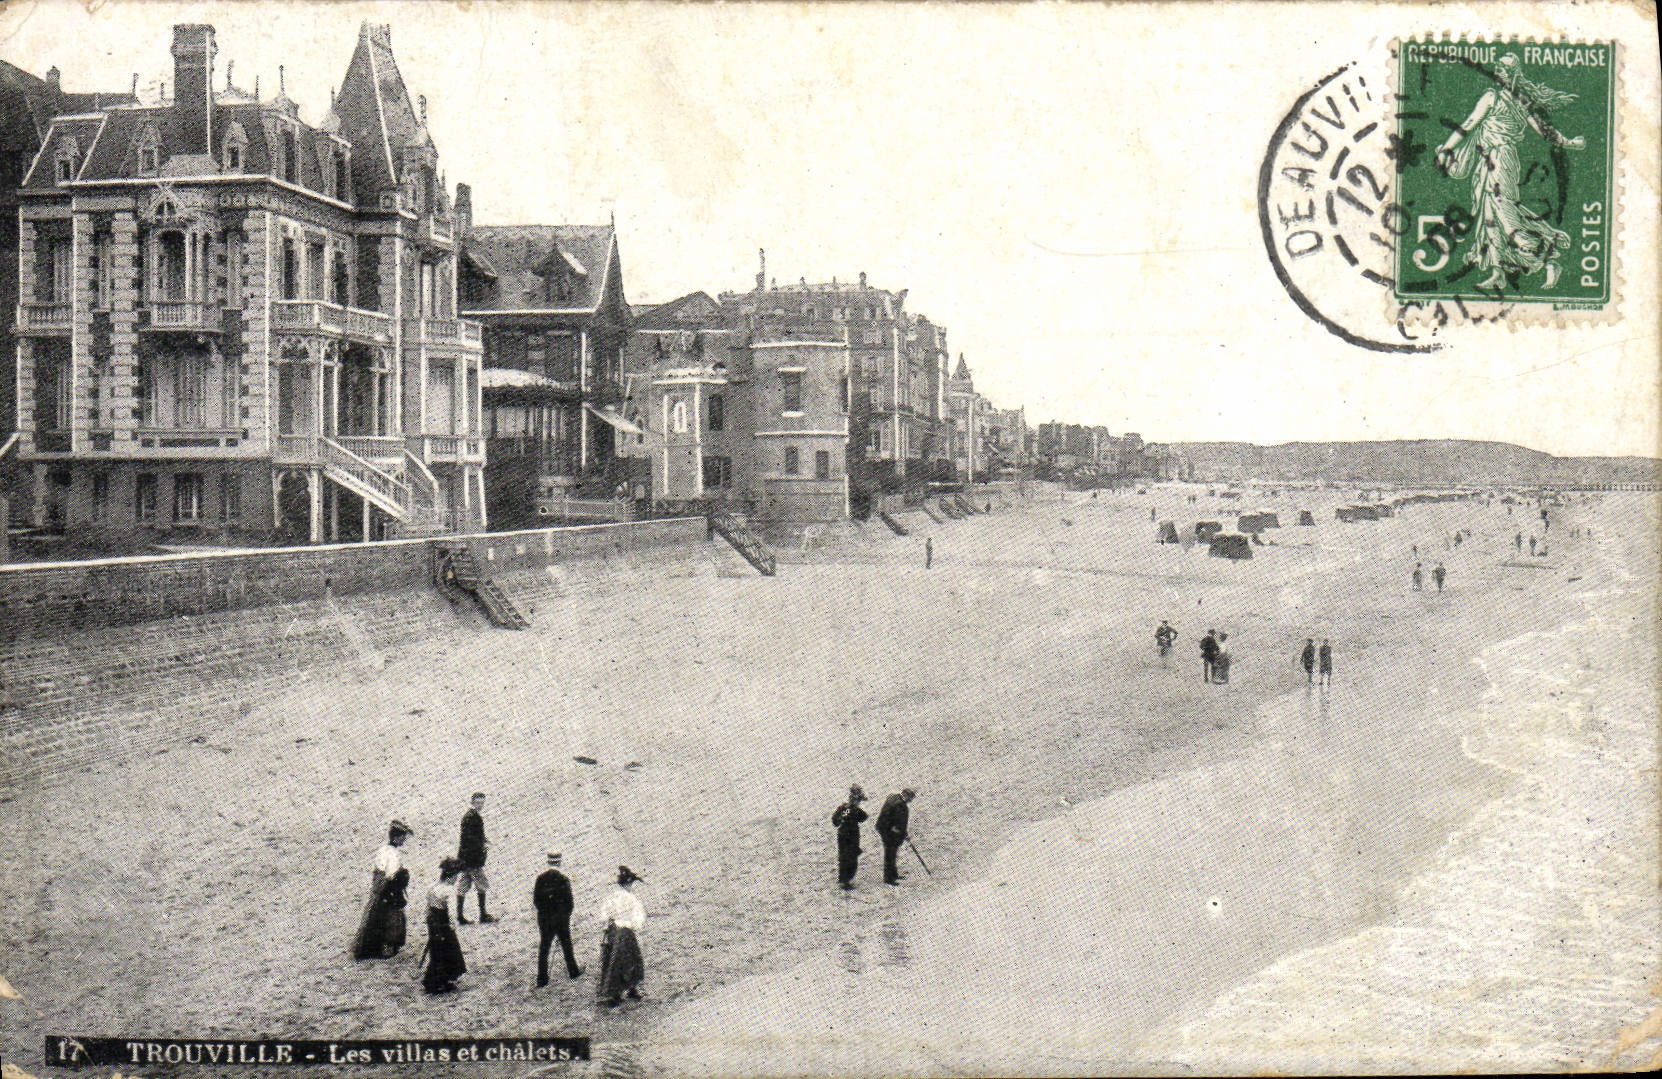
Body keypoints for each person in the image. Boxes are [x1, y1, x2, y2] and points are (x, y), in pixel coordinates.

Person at [1434, 53, 1585, 291]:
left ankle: (1547, 260)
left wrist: (1446, 149)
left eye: (1503, 69)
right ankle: (1498, 271)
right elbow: (1470, 124)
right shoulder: (1511, 100)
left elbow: (1469, 125)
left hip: (1500, 160)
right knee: (1489, 215)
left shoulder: (1500, 99)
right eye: (1497, 68)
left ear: (1513, 74)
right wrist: (1569, 143)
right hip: (1490, 159)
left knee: (1505, 215)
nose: (1498, 72)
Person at [352, 819, 412, 960]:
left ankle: (374, 945)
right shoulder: (394, 854)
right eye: (402, 837)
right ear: (396, 838)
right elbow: (391, 875)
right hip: (389, 888)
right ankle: (387, 947)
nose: (404, 840)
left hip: (379, 887)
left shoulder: (383, 849)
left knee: (375, 914)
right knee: (392, 918)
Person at [597, 867, 647, 1007]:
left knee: (613, 961)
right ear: (629, 884)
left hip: (613, 932)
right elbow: (638, 920)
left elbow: (603, 916)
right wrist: (633, 926)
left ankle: (615, 993)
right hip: (626, 933)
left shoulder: (612, 897)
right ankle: (629, 990)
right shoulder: (632, 899)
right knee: (631, 961)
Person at [533, 851, 582, 987]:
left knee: (544, 947)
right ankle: (573, 971)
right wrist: (564, 917)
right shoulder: (563, 879)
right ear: (559, 862)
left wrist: (544, 914)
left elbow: (536, 901)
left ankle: (542, 978)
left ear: (548, 862)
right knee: (567, 946)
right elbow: (570, 904)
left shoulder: (540, 879)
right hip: (561, 919)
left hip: (545, 919)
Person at [422, 858, 468, 994]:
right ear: (452, 876)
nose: (456, 879)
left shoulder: (433, 887)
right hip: (444, 924)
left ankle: (434, 980)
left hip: (433, 922)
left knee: (436, 951)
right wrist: (453, 925)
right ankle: (442, 981)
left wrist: (429, 920)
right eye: (456, 877)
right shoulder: (449, 890)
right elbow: (451, 911)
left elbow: (428, 907)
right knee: (449, 951)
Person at [455, 792, 494, 925]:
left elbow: (471, 836)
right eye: (478, 803)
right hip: (473, 859)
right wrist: (482, 845)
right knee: (481, 885)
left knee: (463, 886)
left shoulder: (468, 816)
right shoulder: (474, 817)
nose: (480, 805)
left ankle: (460, 916)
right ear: (472, 802)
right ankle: (483, 915)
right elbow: (471, 838)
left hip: (465, 858)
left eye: (482, 803)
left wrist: (484, 840)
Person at [875, 789, 916, 886]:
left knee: (893, 851)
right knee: (890, 853)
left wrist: (903, 833)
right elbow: (891, 819)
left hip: (888, 829)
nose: (910, 801)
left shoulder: (896, 798)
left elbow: (899, 821)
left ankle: (894, 874)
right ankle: (888, 878)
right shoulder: (898, 804)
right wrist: (892, 828)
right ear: (905, 795)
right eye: (910, 798)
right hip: (887, 830)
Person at [832, 785, 869, 890]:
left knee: (844, 857)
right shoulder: (854, 810)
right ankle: (845, 880)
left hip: (842, 834)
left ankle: (843, 879)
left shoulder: (843, 808)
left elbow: (835, 821)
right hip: (851, 835)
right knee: (850, 858)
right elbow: (864, 817)